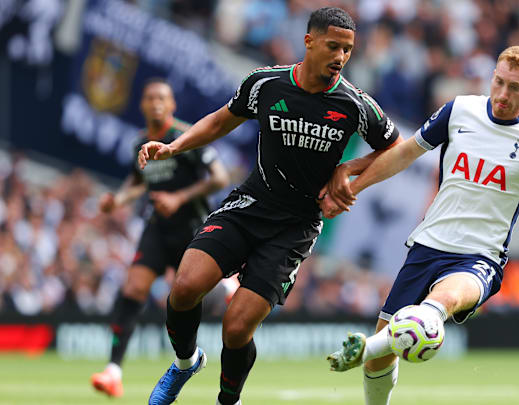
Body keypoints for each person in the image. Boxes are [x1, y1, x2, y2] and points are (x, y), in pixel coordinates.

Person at [138, 7, 401, 405]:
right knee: (186, 286)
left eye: (348, 50)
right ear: (309, 41)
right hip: (249, 204)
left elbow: (395, 147)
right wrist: (175, 146)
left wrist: (351, 170)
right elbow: (220, 121)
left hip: (294, 227)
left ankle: (229, 401)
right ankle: (185, 363)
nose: (340, 57)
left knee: (236, 327)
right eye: (333, 46)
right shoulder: (266, 83)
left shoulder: (354, 103)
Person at [326, 46, 519, 405]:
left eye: (515, 87)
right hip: (428, 245)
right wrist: (353, 187)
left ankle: (362, 348)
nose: (503, 94)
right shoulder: (459, 110)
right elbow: (404, 153)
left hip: (480, 257)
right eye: (499, 82)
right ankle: (371, 355)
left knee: (440, 303)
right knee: (379, 364)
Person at [90, 78, 230, 398]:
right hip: (158, 227)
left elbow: (220, 177)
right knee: (133, 288)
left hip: (191, 228)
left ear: (172, 105)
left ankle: (223, 290)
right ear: (142, 104)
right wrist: (119, 200)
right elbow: (140, 181)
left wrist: (179, 198)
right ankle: (113, 371)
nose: (156, 103)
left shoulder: (186, 137)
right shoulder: (139, 142)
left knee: (188, 297)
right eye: (150, 97)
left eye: (162, 98)